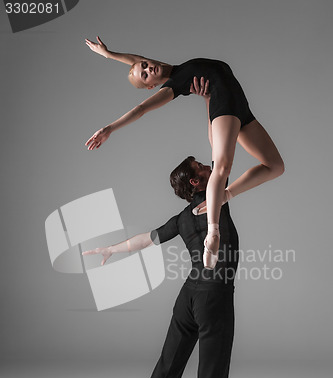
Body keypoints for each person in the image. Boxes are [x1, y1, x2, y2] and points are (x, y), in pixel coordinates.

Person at [82, 151, 240, 378]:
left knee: (166, 370)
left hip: (189, 298)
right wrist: (214, 106)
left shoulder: (183, 218)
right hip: (214, 299)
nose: (209, 167)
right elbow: (223, 154)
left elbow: (147, 239)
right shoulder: (219, 199)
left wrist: (113, 249)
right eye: (201, 167)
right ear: (198, 181)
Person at [84, 37, 284, 269]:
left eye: (146, 65)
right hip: (224, 106)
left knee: (275, 166)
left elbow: (136, 60)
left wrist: (110, 55)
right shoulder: (175, 84)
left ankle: (222, 197)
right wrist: (110, 128)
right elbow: (141, 109)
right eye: (146, 74)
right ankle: (213, 235)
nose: (148, 68)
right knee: (221, 165)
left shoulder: (179, 69)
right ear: (151, 86)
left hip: (240, 107)